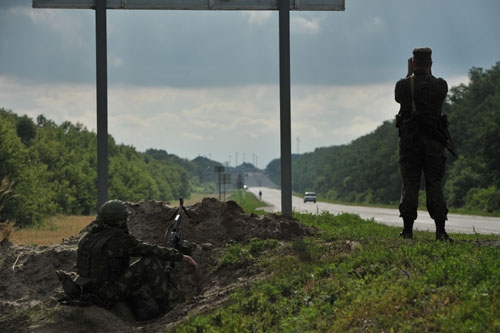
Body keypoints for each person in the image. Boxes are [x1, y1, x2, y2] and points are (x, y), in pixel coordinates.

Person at [57, 199, 198, 321]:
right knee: (151, 262)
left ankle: (139, 306)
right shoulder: (119, 240)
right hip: (106, 293)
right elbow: (150, 250)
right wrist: (182, 257)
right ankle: (165, 309)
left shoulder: (87, 238)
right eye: (124, 218)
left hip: (88, 289)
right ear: (118, 220)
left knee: (128, 265)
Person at [394, 47, 453, 242]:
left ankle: (408, 230)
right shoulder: (440, 85)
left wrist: (408, 74)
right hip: (433, 143)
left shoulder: (403, 85)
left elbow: (399, 98)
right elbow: (437, 95)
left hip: (410, 143)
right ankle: (440, 231)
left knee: (410, 184)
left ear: (413, 63)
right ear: (431, 63)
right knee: (434, 184)